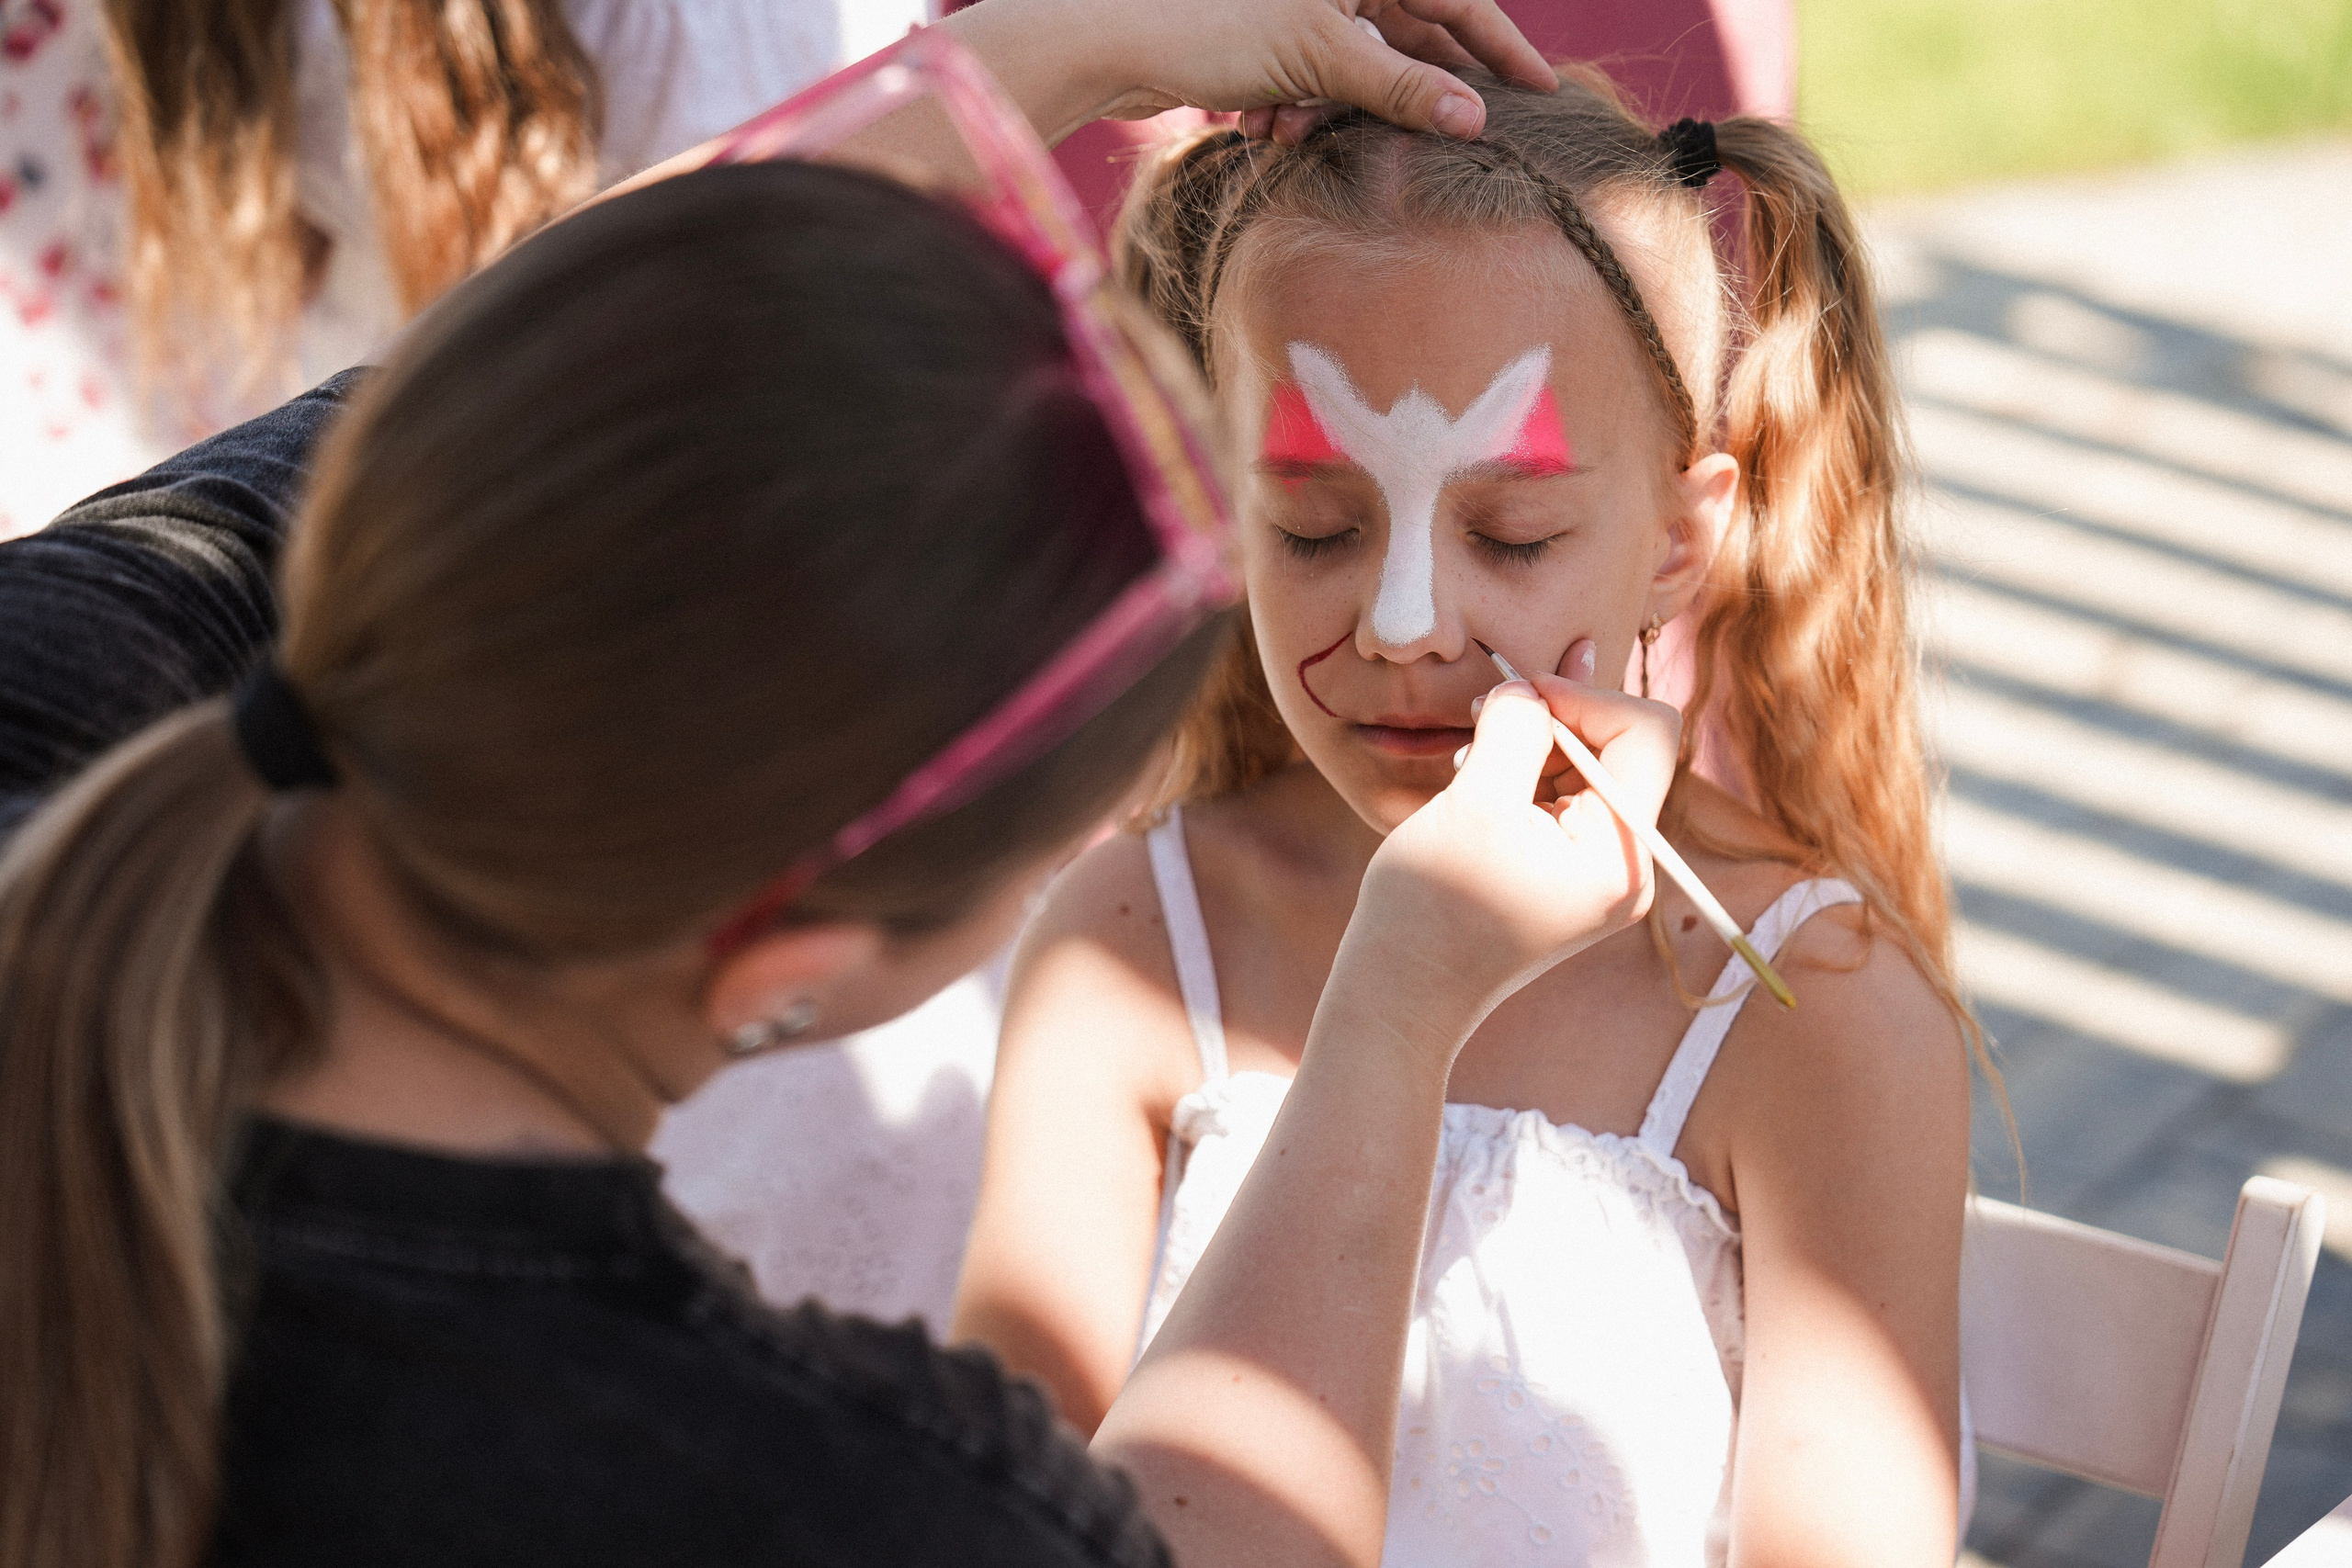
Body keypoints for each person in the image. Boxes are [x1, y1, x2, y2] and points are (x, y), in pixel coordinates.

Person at [0, 13, 1697, 1568]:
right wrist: (1394, 1017)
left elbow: (548, 386)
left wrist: (1043, 48)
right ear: (783, 975)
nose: (1401, 619)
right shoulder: (810, 1496)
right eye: (1311, 529)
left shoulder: (51, 700)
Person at [951, 65, 1990, 1566]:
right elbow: (997, 1519)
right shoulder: (1130, 942)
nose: (1403, 622)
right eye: (1315, 527)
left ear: (1680, 540)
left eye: (1512, 534)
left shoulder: (1809, 1008)